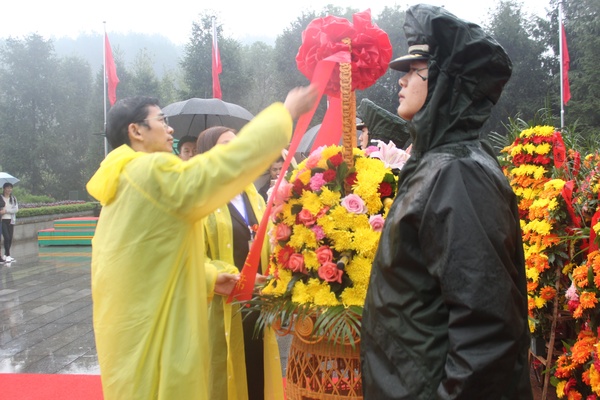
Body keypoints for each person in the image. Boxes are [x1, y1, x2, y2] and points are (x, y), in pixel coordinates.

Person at [86, 85, 317, 400]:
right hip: (157, 329)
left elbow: (151, 257)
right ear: (135, 131)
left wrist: (209, 277)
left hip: (133, 325)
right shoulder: (146, 171)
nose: (170, 130)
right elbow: (215, 171)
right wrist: (284, 114)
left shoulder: (123, 178)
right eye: (161, 121)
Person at [360, 5, 533, 399]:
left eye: (413, 69)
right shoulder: (437, 163)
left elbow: (486, 332)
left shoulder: (459, 173)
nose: (400, 81)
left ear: (444, 79)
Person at [198, 126, 283, 400]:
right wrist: (230, 277)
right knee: (226, 376)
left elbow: (269, 241)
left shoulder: (254, 197)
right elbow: (194, 258)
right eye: (226, 145)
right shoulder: (202, 200)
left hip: (257, 304)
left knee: (257, 373)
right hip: (224, 305)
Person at [1, 183, 18, 262]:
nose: (9, 190)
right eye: (7, 188)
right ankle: (8, 255)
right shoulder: (1, 198)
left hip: (11, 220)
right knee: (6, 237)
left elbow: (15, 209)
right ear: (4, 189)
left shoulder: (13, 198)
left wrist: (6, 211)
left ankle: (5, 255)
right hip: (2, 220)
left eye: (10, 188)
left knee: (10, 238)